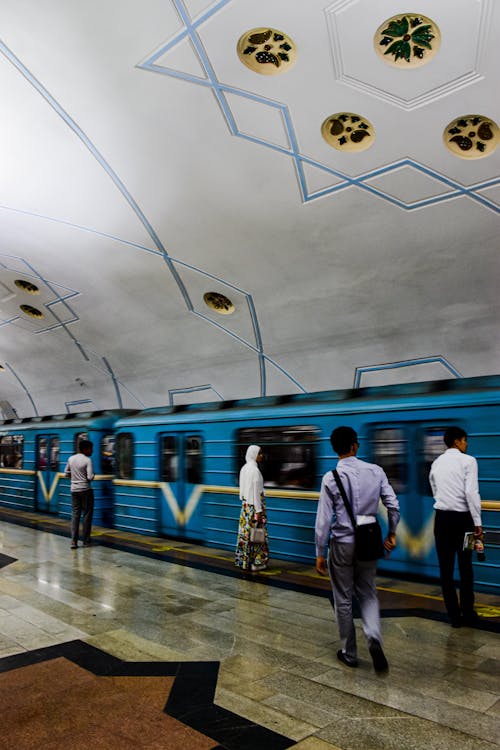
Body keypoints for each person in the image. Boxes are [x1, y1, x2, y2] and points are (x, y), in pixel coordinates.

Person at [315, 426, 400, 673]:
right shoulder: (376, 471)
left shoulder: (330, 477)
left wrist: (320, 552)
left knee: (343, 598)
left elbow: (323, 520)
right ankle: (373, 635)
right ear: (354, 445)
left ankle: (349, 653)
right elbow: (393, 506)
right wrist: (392, 533)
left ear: (335, 448)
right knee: (368, 593)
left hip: (341, 544)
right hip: (369, 541)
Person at [429, 426, 483, 628]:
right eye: (465, 440)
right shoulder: (469, 461)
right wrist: (477, 523)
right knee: (466, 567)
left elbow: (434, 488)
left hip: (441, 521)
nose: (466, 444)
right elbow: (471, 493)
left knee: (446, 569)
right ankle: (468, 612)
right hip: (465, 523)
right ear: (458, 441)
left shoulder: (436, 463)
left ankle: (454, 617)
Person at [235, 445, 269, 572]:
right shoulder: (255, 470)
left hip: (246, 507)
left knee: (246, 536)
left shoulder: (244, 468)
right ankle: (257, 562)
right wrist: (258, 511)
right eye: (259, 453)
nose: (261, 456)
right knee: (258, 536)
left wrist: (247, 504)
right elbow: (256, 492)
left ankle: (244, 561)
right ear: (254, 454)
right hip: (255, 508)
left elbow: (242, 491)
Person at [65, 439, 95, 549]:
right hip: (86, 490)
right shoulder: (87, 460)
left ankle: (73, 541)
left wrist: (73, 478)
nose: (92, 451)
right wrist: (92, 476)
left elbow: (66, 473)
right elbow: (90, 477)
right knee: (87, 515)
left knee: (75, 515)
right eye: (91, 449)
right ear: (86, 449)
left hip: (74, 490)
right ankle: (86, 541)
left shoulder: (71, 458)